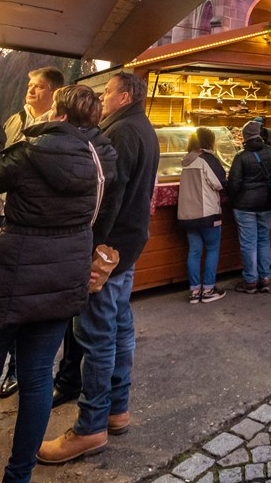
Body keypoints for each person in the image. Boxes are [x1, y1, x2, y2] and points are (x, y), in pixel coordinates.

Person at [0, 84, 116, 483]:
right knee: (38, 378)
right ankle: (19, 476)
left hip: (11, 273)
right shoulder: (104, 159)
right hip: (63, 276)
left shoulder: (30, 151)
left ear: (58, 114)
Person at [45, 70, 159, 460]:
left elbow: (111, 195)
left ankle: (90, 427)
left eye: (108, 92)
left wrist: (96, 247)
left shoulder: (123, 132)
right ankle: (116, 410)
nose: (104, 99)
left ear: (124, 97)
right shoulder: (140, 126)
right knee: (119, 326)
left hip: (109, 247)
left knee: (95, 336)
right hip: (127, 245)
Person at [0, 66, 64, 398]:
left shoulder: (58, 124)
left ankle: (22, 370)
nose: (32, 90)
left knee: (25, 298)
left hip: (32, 222)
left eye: (40, 86)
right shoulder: (14, 120)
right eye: (30, 85)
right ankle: (5, 364)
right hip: (0, 214)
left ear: (54, 92)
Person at [225, 119, 271, 292]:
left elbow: (234, 183)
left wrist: (232, 199)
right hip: (266, 203)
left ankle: (250, 281)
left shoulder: (241, 157)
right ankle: (265, 277)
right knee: (264, 239)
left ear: (245, 137)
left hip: (244, 206)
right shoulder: (270, 152)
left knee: (249, 243)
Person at [177, 127, 226, 303]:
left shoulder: (186, 161)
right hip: (207, 213)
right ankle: (208, 289)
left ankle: (195, 291)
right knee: (212, 249)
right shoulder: (207, 159)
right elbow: (220, 183)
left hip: (187, 215)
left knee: (194, 251)